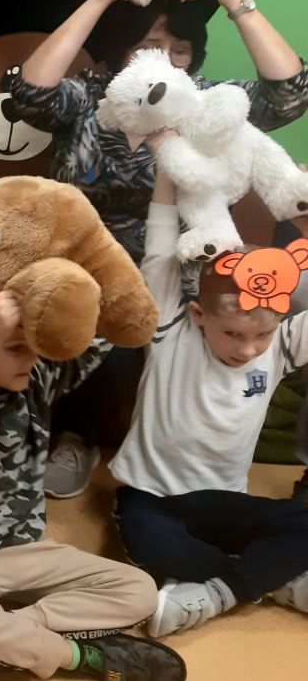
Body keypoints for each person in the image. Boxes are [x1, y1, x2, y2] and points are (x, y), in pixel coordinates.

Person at [4, 0, 308, 499]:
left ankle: (196, 452)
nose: (165, 61)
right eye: (148, 46)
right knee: (82, 306)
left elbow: (290, 95)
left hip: (184, 267)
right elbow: (28, 93)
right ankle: (77, 435)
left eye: (180, 49)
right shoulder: (89, 101)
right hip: (90, 265)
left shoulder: (206, 104)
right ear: (121, 51)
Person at [0, 286, 185, 681]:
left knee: (141, 590)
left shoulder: (36, 379)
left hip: (27, 551)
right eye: (15, 348)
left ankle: (4, 639)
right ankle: (83, 657)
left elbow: (97, 337)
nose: (32, 358)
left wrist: (80, 289)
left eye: (34, 347)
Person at [111, 163, 308, 636]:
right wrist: (165, 176)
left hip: (222, 503)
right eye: (233, 333)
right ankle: (274, 582)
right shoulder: (169, 331)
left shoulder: (280, 348)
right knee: (155, 550)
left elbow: (267, 337)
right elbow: (159, 253)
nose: (248, 349)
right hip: (151, 499)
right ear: (199, 314)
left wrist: (302, 219)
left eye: (261, 335)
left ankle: (223, 590)